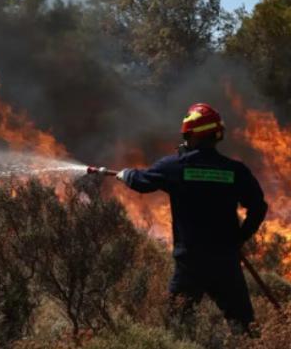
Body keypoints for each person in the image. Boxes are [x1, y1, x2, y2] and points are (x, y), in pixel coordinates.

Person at [115, 103, 268, 330]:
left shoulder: (174, 167)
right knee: (244, 327)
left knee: (176, 326)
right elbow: (258, 207)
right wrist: (240, 237)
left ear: (191, 135)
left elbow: (142, 182)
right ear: (217, 136)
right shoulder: (235, 170)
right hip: (225, 260)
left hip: (190, 263)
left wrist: (125, 174)